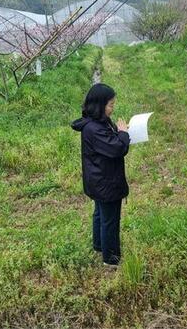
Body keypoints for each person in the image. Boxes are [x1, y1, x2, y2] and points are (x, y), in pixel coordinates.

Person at [71, 83, 130, 267]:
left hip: (98, 179)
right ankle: (111, 259)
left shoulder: (95, 123)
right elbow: (117, 148)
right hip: (106, 181)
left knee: (100, 214)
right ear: (99, 105)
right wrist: (123, 134)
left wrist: (119, 132)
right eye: (110, 105)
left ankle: (99, 246)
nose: (112, 109)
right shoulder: (95, 129)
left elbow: (110, 143)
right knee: (110, 220)